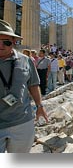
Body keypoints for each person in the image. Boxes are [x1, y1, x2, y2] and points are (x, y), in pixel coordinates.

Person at [0, 19, 48, 153]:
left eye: (6, 42)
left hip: (22, 122)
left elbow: (33, 85)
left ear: (14, 42)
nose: (1, 45)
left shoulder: (25, 60)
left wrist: (40, 106)